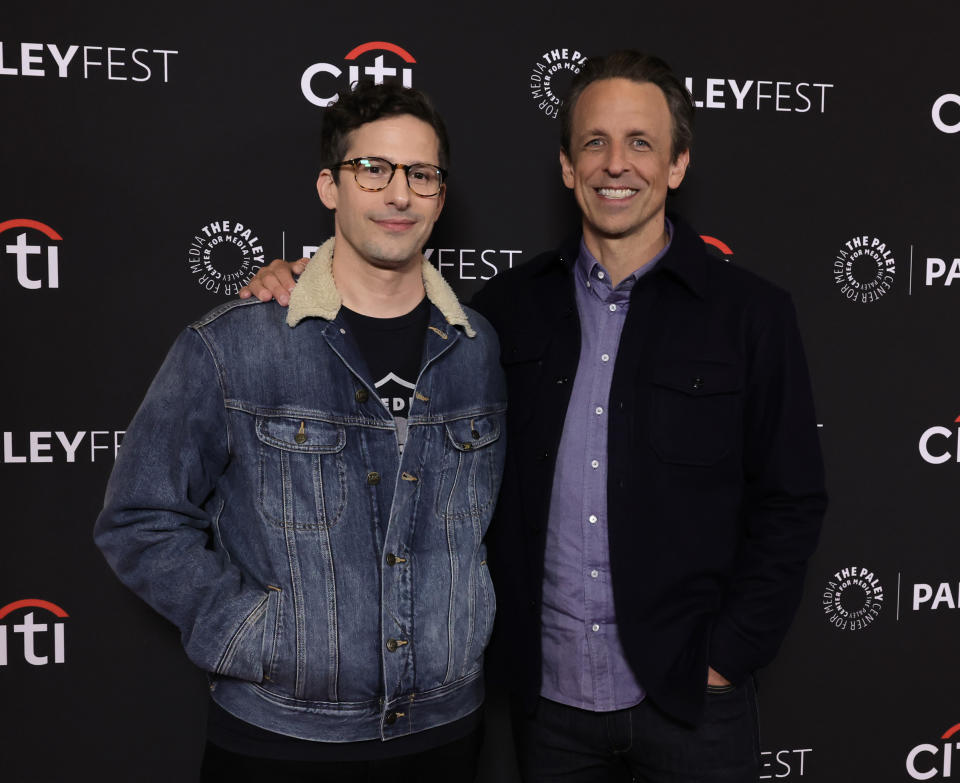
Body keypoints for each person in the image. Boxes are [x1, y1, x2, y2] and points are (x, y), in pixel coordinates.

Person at [243, 51, 827, 783]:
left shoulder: (753, 315)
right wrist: (302, 276)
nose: (617, 164)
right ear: (565, 165)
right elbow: (382, 308)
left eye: (641, 142)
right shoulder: (501, 314)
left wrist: (726, 656)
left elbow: (792, 499)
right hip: (548, 709)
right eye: (594, 142)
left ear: (677, 164)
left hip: (692, 703)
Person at [95, 80, 507, 783]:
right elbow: (138, 517)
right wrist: (252, 632)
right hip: (280, 737)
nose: (398, 193)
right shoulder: (233, 346)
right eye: (371, 168)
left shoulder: (479, 349)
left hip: (446, 731)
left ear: (440, 194)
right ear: (329, 186)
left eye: (421, 174)